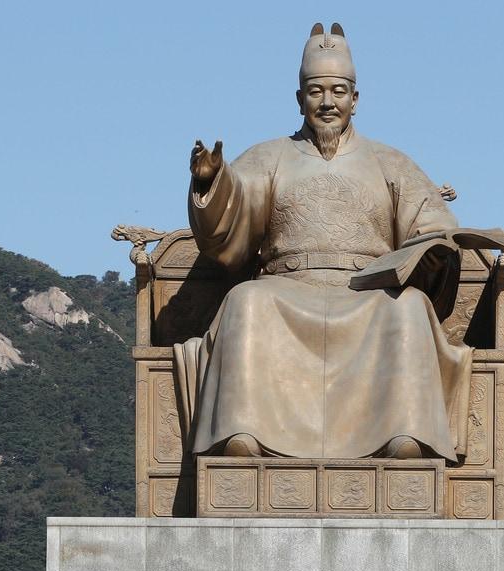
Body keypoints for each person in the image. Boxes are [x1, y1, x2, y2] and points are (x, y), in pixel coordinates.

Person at [176, 23, 481, 464]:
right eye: (316, 91)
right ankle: (242, 432)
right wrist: (211, 182)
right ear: (299, 98)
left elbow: (432, 223)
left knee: (410, 307)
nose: (327, 103)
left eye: (338, 91)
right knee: (246, 300)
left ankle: (405, 433)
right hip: (286, 287)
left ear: (355, 99)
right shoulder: (269, 156)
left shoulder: (391, 162)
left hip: (369, 291)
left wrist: (433, 249)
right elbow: (233, 213)